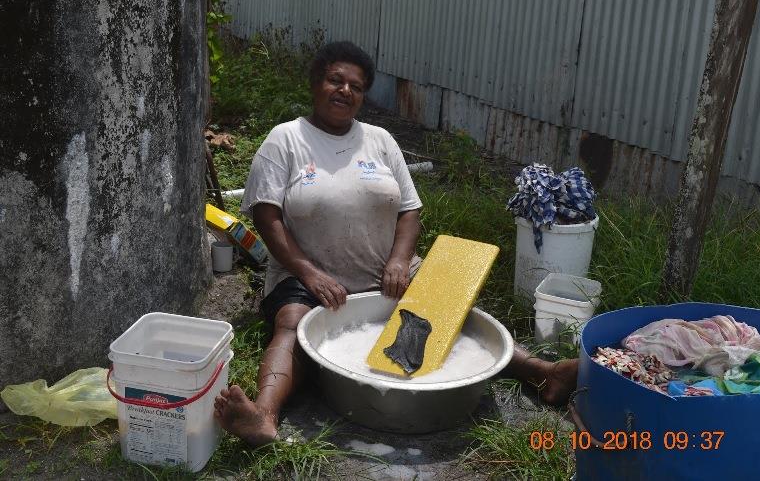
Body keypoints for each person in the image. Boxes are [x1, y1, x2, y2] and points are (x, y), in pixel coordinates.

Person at [213, 41, 578, 447]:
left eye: (356, 85)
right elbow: (267, 217)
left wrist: (400, 260)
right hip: (306, 273)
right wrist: (309, 273)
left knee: (452, 310)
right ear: (316, 83)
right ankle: (263, 415)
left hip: (385, 270)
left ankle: (546, 373)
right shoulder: (286, 140)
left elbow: (409, 210)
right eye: (336, 80)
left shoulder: (380, 140)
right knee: (292, 325)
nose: (345, 91)